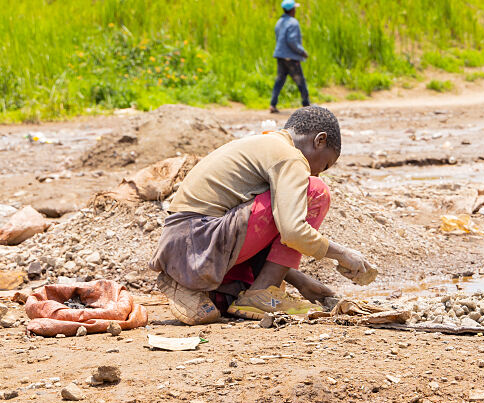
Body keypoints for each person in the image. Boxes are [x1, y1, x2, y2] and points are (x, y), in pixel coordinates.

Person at [150, 106, 374, 325]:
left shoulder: (265, 144)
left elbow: (261, 229)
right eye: (324, 164)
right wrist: (343, 254)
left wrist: (301, 282)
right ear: (320, 140)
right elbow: (293, 231)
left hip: (186, 246)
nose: (315, 172)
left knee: (233, 297)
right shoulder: (289, 156)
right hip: (199, 242)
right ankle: (262, 293)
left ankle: (215, 288)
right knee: (315, 190)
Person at [270, 0, 310, 114]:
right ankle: (306, 104)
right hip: (291, 57)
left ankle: (273, 104)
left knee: (279, 80)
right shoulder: (293, 23)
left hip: (280, 56)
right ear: (292, 10)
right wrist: (302, 52)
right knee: (300, 80)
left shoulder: (279, 22)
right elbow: (292, 41)